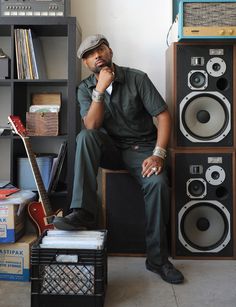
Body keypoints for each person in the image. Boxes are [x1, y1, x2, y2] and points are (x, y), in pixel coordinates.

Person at [53, 34, 184, 284]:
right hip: (109, 149)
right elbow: (91, 125)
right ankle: (83, 211)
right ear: (86, 64)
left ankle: (157, 260)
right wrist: (100, 90)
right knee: (85, 137)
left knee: (157, 184)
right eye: (90, 55)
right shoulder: (85, 88)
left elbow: (164, 116)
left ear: (110, 51)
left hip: (142, 148)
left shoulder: (137, 78)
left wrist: (158, 155)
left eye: (100, 50)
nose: (97, 56)